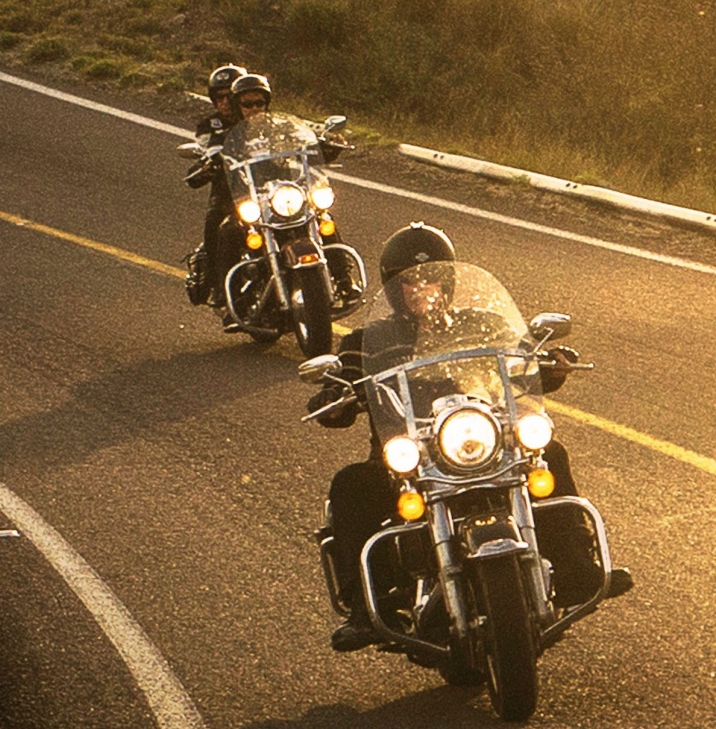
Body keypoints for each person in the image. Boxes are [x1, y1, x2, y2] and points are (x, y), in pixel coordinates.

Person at [309, 222, 631, 650]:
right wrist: (335, 395)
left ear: (449, 281)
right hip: (411, 457)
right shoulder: (367, 340)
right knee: (351, 485)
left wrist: (549, 362)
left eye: (432, 279)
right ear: (393, 289)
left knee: (549, 452)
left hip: (486, 442)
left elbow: (523, 358)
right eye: (410, 282)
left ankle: (577, 569)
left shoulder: (484, 324)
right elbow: (344, 381)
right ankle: (367, 607)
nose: (422, 289)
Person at [185, 65, 349, 319]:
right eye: (246, 103)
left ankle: (344, 279)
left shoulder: (278, 126)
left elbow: (306, 142)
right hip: (235, 193)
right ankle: (224, 292)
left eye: (258, 103)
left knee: (321, 215)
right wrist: (210, 163)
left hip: (279, 191)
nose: (253, 108)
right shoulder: (217, 128)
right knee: (223, 227)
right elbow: (210, 149)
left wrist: (328, 146)